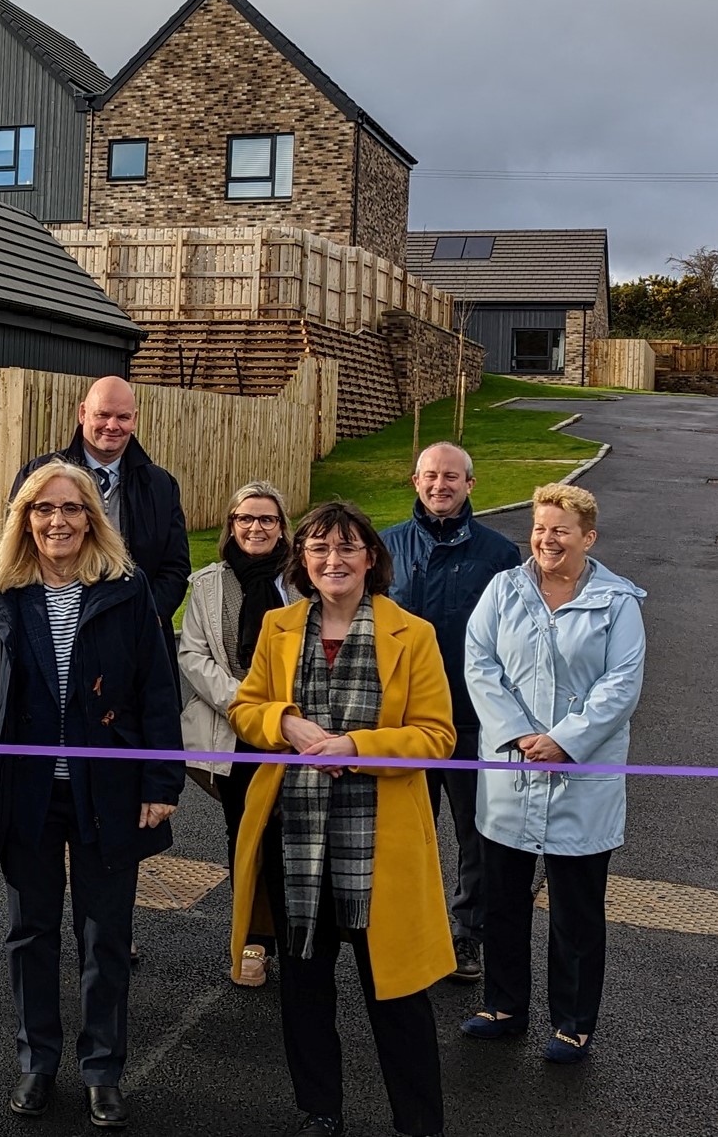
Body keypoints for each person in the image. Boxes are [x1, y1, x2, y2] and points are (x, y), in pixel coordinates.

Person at [0, 461, 183, 1129]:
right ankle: (36, 1063)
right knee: (30, 933)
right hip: (24, 794)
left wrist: (161, 782)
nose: (57, 521)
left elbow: (158, 694)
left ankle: (102, 1069)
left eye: (71, 508)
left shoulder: (127, 590)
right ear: (24, 518)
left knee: (105, 936)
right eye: (42, 509)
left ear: (92, 517)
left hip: (107, 791)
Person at [228, 500, 455, 1137]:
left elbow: (437, 737)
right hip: (294, 836)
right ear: (302, 560)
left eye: (348, 547)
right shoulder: (277, 626)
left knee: (398, 993)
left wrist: (358, 746)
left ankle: (418, 1121)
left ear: (371, 559)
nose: (334, 560)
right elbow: (246, 711)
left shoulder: (414, 633)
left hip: (381, 840)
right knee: (304, 983)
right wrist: (286, 722)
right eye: (320, 548)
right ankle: (320, 1111)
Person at [460, 483, 645, 1064]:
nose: (547, 539)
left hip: (581, 776)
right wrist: (518, 733)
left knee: (576, 911)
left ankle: (572, 1022)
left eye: (561, 530)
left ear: (588, 537)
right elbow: (479, 661)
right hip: (512, 770)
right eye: (540, 528)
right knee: (503, 902)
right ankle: (504, 1006)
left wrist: (565, 741)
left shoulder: (619, 603)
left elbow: (622, 685)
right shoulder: (504, 590)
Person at [381, 442, 520, 982]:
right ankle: (401, 931)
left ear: (471, 484)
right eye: (430, 476)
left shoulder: (499, 555)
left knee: (475, 836)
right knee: (401, 831)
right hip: (399, 721)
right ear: (414, 481)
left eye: (452, 477)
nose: (441, 485)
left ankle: (467, 936)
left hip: (469, 719)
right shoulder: (386, 546)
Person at [177, 480, 300, 986]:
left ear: (281, 528)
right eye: (245, 518)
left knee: (295, 837)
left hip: (296, 729)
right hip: (236, 731)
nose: (255, 527)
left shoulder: (303, 579)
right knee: (248, 838)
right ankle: (253, 940)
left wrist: (287, 713)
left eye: (267, 519)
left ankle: (299, 940)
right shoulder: (206, 583)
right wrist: (244, 703)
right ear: (230, 525)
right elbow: (192, 655)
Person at [11, 375, 190, 649]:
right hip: (58, 632)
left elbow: (175, 567)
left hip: (135, 638)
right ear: (83, 413)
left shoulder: (161, 486)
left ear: (135, 419)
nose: (112, 426)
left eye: (123, 417)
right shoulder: (39, 476)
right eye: (103, 415)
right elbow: (18, 551)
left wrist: (147, 616)